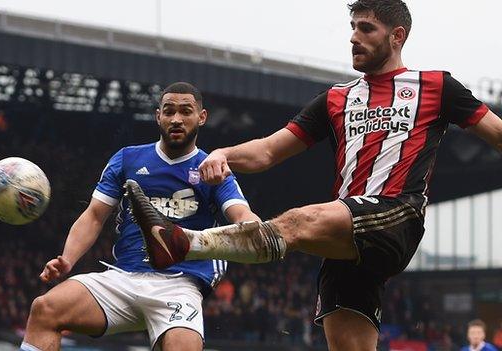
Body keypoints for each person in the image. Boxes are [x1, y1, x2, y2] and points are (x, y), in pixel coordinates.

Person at [123, 1, 502, 350]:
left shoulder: (436, 86)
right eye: (352, 27)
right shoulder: (336, 98)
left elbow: (498, 134)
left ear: (397, 36)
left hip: (395, 215)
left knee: (299, 220)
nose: (354, 36)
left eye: (367, 28)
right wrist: (222, 153)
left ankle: (186, 244)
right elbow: (269, 151)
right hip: (346, 233)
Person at [20, 82, 259, 351]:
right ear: (158, 116)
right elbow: (95, 216)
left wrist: (256, 229)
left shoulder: (213, 169)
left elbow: (243, 217)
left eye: (185, 111)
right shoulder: (127, 159)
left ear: (201, 117)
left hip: (180, 284)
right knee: (45, 309)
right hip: (124, 278)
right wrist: (67, 259)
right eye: (169, 111)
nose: (176, 119)